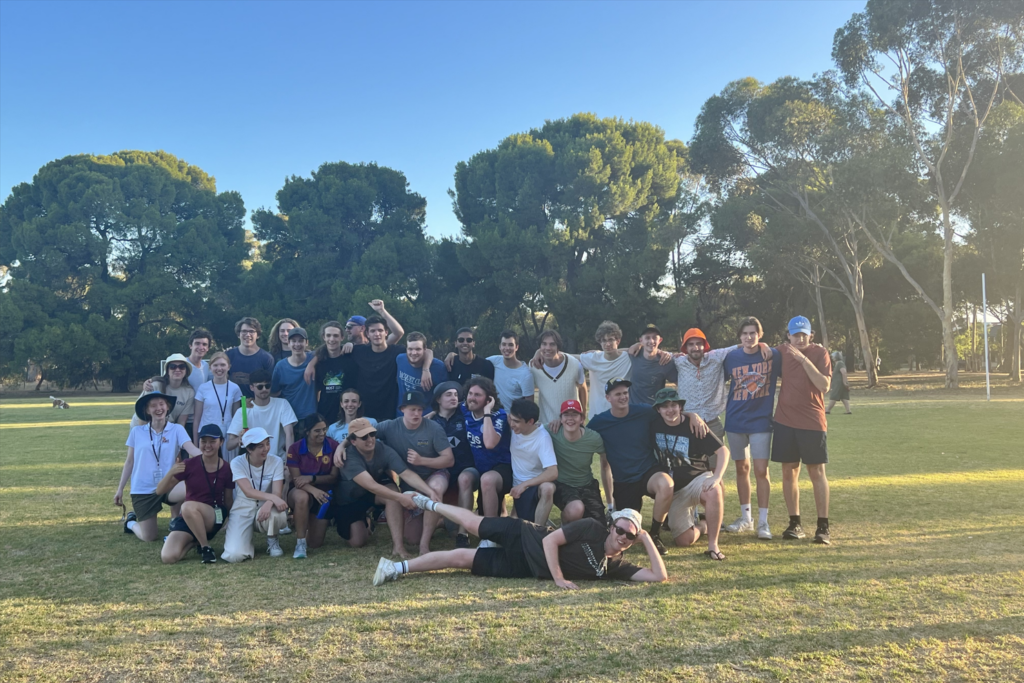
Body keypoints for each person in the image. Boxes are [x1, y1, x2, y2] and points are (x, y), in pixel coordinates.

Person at [373, 503, 667, 588]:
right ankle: (430, 503)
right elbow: (551, 540)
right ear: (611, 525)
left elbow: (658, 577)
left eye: (630, 535)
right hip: (525, 534)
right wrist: (559, 578)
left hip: (522, 567)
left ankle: (395, 568)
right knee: (475, 524)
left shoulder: (613, 567)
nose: (623, 536)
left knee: (462, 558)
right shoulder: (591, 527)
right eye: (620, 529)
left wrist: (648, 539)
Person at [586, 378, 681, 556]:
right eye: (617, 394)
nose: (623, 397)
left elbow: (669, 414)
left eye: (625, 393)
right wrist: (556, 425)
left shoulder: (644, 411)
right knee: (624, 526)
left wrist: (692, 416)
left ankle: (655, 533)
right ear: (608, 397)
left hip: (648, 472)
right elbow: (580, 433)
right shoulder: (600, 422)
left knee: (666, 483)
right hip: (624, 481)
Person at [330, 418, 442, 558]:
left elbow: (406, 473)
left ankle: (398, 547)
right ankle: (368, 521)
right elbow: (371, 485)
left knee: (392, 495)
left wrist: (429, 491)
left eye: (372, 434)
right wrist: (402, 498)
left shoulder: (383, 449)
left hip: (372, 494)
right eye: (364, 437)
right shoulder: (348, 457)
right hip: (349, 499)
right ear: (353, 441)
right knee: (357, 542)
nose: (370, 439)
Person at [650, 388, 730, 560]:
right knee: (684, 540)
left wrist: (716, 477)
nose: (670, 410)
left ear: (680, 407)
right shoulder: (653, 423)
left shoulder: (694, 425)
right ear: (658, 410)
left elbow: (723, 452)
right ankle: (704, 525)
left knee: (713, 490)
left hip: (697, 479)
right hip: (673, 489)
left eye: (673, 405)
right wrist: (692, 413)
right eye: (664, 407)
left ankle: (713, 545)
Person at [772, 316, 833, 545]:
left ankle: (823, 526)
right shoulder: (781, 351)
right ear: (788, 335)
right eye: (795, 334)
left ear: (811, 335)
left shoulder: (820, 354)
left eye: (803, 334)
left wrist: (803, 360)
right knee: (789, 472)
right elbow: (755, 349)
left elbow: (824, 386)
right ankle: (795, 522)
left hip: (812, 422)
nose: (799, 338)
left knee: (816, 472)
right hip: (785, 421)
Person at [374, 391, 455, 555]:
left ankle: (424, 546)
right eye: (412, 409)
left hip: (435, 473)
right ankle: (440, 521)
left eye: (420, 409)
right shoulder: (390, 426)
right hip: (409, 481)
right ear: (402, 409)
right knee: (411, 538)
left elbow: (449, 460)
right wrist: (342, 446)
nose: (417, 414)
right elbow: (363, 433)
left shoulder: (433, 428)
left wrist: (422, 461)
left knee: (435, 490)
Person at [722, 317, 782, 539]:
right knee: (741, 469)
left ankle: (763, 522)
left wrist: (767, 347)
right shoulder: (731, 357)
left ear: (760, 335)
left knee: (761, 471)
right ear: (739, 336)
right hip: (735, 421)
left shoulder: (772, 355)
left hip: (761, 421)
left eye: (753, 333)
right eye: (745, 333)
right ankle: (746, 518)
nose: (749, 337)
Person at [116, 393, 202, 542]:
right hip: (143, 489)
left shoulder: (176, 430)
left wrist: (213, 460)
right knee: (149, 537)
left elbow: (192, 450)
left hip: (168, 484)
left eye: (162, 404)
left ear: (167, 407)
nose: (158, 408)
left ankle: (179, 521)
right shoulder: (136, 431)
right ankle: (131, 523)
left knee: (194, 485)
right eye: (153, 405)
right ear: (147, 410)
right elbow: (129, 462)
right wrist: (120, 489)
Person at [671, 328, 770, 440]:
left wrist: (763, 345)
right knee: (688, 457)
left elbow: (743, 345)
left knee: (719, 456)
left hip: (712, 421)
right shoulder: (678, 361)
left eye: (699, 344)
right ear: (685, 347)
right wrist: (663, 353)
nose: (695, 348)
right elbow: (657, 354)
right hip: (687, 422)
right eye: (691, 344)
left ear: (705, 345)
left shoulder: (716, 357)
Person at [158, 424, 235, 564]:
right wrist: (171, 472)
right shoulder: (189, 464)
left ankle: (206, 547)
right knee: (168, 557)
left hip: (213, 515)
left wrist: (231, 521)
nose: (208, 445)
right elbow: (160, 491)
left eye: (213, 441)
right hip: (189, 517)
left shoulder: (226, 468)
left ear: (221, 442)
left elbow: (228, 499)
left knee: (187, 506)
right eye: (204, 441)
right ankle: (196, 542)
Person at [221, 427, 290, 562]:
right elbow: (248, 491)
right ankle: (245, 541)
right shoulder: (237, 462)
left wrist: (269, 503)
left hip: (267, 505)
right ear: (249, 449)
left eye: (267, 444)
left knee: (278, 512)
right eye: (260, 446)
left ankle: (272, 539)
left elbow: (277, 491)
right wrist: (272, 498)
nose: (266, 449)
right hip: (243, 506)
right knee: (234, 555)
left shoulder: (276, 461)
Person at [460, 378, 513, 530]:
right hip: (480, 467)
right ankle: (462, 532)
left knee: (487, 480)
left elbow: (490, 444)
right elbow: (444, 407)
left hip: (502, 468)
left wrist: (487, 412)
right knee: (468, 479)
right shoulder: (465, 409)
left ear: (489, 398)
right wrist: (427, 418)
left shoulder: (499, 415)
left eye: (478, 395)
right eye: (470, 393)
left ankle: (492, 534)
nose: (472, 398)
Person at [428, 381, 476, 547]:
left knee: (465, 479)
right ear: (438, 399)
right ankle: (442, 520)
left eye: (456, 394)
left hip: (465, 469)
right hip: (442, 472)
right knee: (448, 527)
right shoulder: (431, 421)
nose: (453, 398)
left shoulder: (466, 414)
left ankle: (463, 535)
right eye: (448, 394)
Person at [286, 413, 340, 558]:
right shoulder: (295, 449)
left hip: (323, 496)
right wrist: (313, 490)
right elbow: (297, 479)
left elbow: (334, 477)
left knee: (315, 543)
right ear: (307, 431)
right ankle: (300, 543)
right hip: (300, 491)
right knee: (302, 498)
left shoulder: (333, 446)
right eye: (317, 430)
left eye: (324, 429)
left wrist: (312, 478)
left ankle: (303, 522)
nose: (322, 433)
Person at [550, 400, 607, 523]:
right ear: (560, 419)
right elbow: (530, 429)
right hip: (562, 485)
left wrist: (611, 502)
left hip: (587, 484)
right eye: (566, 415)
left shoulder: (593, 438)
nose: (570, 418)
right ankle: (564, 532)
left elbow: (606, 464)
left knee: (600, 528)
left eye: (574, 414)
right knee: (576, 509)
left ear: (582, 419)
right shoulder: (551, 431)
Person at [225, 368, 297, 462]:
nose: (264, 389)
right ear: (252, 387)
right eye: (260, 387)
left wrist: (289, 461)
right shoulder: (243, 411)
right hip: (252, 462)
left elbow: (289, 433)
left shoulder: (282, 404)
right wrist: (239, 439)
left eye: (267, 386)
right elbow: (229, 445)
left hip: (277, 460)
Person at [508, 398, 558, 526]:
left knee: (548, 488)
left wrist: (524, 485)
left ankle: (538, 531)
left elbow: (553, 472)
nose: (511, 424)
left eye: (516, 421)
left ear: (530, 422)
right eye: (511, 419)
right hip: (514, 484)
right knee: (512, 533)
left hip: (533, 488)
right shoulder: (513, 429)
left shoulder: (542, 438)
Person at [529, 330, 587, 425]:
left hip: (571, 423)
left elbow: (582, 387)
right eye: (544, 344)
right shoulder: (533, 366)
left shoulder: (574, 364)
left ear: (558, 347)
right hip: (547, 424)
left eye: (552, 344)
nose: (548, 348)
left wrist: (583, 413)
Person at [578, 321, 633, 419]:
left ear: (618, 341)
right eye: (603, 340)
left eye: (611, 340)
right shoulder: (593, 358)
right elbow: (565, 356)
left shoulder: (629, 358)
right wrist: (541, 352)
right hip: (598, 415)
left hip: (622, 415)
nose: (607, 344)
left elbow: (650, 351)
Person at [193, 351, 242, 460]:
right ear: (210, 367)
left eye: (222, 365)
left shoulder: (235, 388)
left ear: (228, 367)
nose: (219, 368)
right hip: (207, 433)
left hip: (228, 433)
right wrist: (196, 444)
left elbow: (237, 417)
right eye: (215, 365)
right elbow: (197, 419)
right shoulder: (203, 388)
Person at [133, 353, 196, 430]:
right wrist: (143, 435)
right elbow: (143, 415)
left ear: (186, 370)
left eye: (181, 367)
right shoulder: (154, 386)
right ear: (167, 371)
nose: (177, 369)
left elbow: (181, 422)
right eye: (172, 367)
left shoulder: (189, 392)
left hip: (165, 429)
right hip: (142, 427)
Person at [312, 320, 359, 421]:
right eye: (328, 335)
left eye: (335, 336)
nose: (332, 339)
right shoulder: (318, 363)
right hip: (325, 414)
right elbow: (316, 391)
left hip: (348, 414)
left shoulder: (352, 357)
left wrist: (352, 344)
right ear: (323, 337)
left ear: (342, 337)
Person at [271, 327, 317, 421]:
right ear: (288, 343)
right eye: (293, 341)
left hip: (312, 416)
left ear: (306, 342)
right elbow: (273, 392)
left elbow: (328, 348)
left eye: (301, 341)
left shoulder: (314, 358)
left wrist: (311, 364)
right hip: (289, 417)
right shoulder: (280, 366)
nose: (297, 344)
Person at [396, 332, 447, 414]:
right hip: (402, 416)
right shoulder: (400, 359)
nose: (414, 353)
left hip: (426, 417)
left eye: (418, 349)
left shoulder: (438, 367)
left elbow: (445, 394)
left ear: (425, 349)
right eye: (410, 349)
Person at [627, 324, 678, 405]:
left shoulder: (666, 361)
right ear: (641, 340)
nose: (651, 341)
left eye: (654, 338)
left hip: (655, 410)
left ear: (660, 340)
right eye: (647, 338)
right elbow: (614, 352)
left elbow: (680, 385)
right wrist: (634, 346)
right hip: (633, 409)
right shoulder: (634, 354)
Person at [226, 316, 275, 399]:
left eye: (251, 331)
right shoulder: (228, 355)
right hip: (232, 405)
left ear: (258, 335)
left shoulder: (267, 358)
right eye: (244, 331)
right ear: (238, 334)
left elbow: (270, 388)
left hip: (256, 406)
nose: (248, 335)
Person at [484, 330, 534, 409]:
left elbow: (529, 405)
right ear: (500, 346)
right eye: (504, 344)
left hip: (513, 419)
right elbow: (474, 360)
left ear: (516, 347)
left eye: (510, 345)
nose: (507, 348)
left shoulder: (525, 374)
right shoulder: (494, 361)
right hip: (495, 416)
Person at [184, 328, 213, 397]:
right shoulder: (181, 364)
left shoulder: (207, 367)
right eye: (197, 343)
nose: (201, 347)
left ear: (208, 348)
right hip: (185, 406)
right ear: (190, 345)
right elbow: (165, 380)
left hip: (202, 406)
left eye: (204, 344)